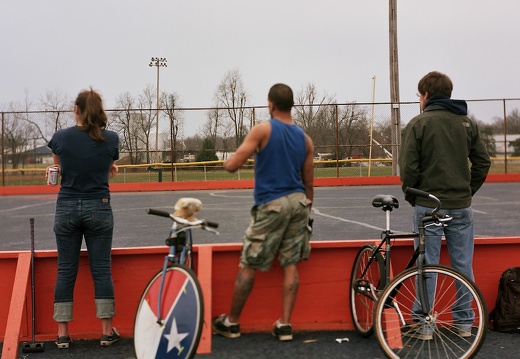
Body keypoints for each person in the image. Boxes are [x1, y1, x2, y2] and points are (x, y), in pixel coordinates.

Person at [212, 83, 314, 341]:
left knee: (249, 263)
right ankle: (284, 325)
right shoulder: (305, 139)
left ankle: (232, 323)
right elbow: (309, 182)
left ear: (270, 104)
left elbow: (232, 166)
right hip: (299, 202)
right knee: (290, 263)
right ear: (292, 105)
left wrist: (229, 160)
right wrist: (307, 211)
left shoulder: (263, 129)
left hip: (273, 204)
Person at [399, 71, 491, 339]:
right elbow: (483, 162)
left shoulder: (417, 124)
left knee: (426, 265)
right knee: (463, 264)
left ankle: (424, 324)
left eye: (419, 95)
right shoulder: (467, 124)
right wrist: (467, 191)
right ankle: (464, 322)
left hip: (428, 206)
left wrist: (413, 195)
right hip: (461, 206)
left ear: (426, 96)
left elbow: (408, 169)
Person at [46, 88, 120, 349]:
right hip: (98, 207)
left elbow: (59, 168)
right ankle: (106, 332)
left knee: (66, 271)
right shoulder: (111, 139)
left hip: (66, 206)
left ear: (75, 109)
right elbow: (105, 165)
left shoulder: (60, 138)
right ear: (100, 110)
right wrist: (110, 168)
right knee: (102, 270)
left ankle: (63, 334)